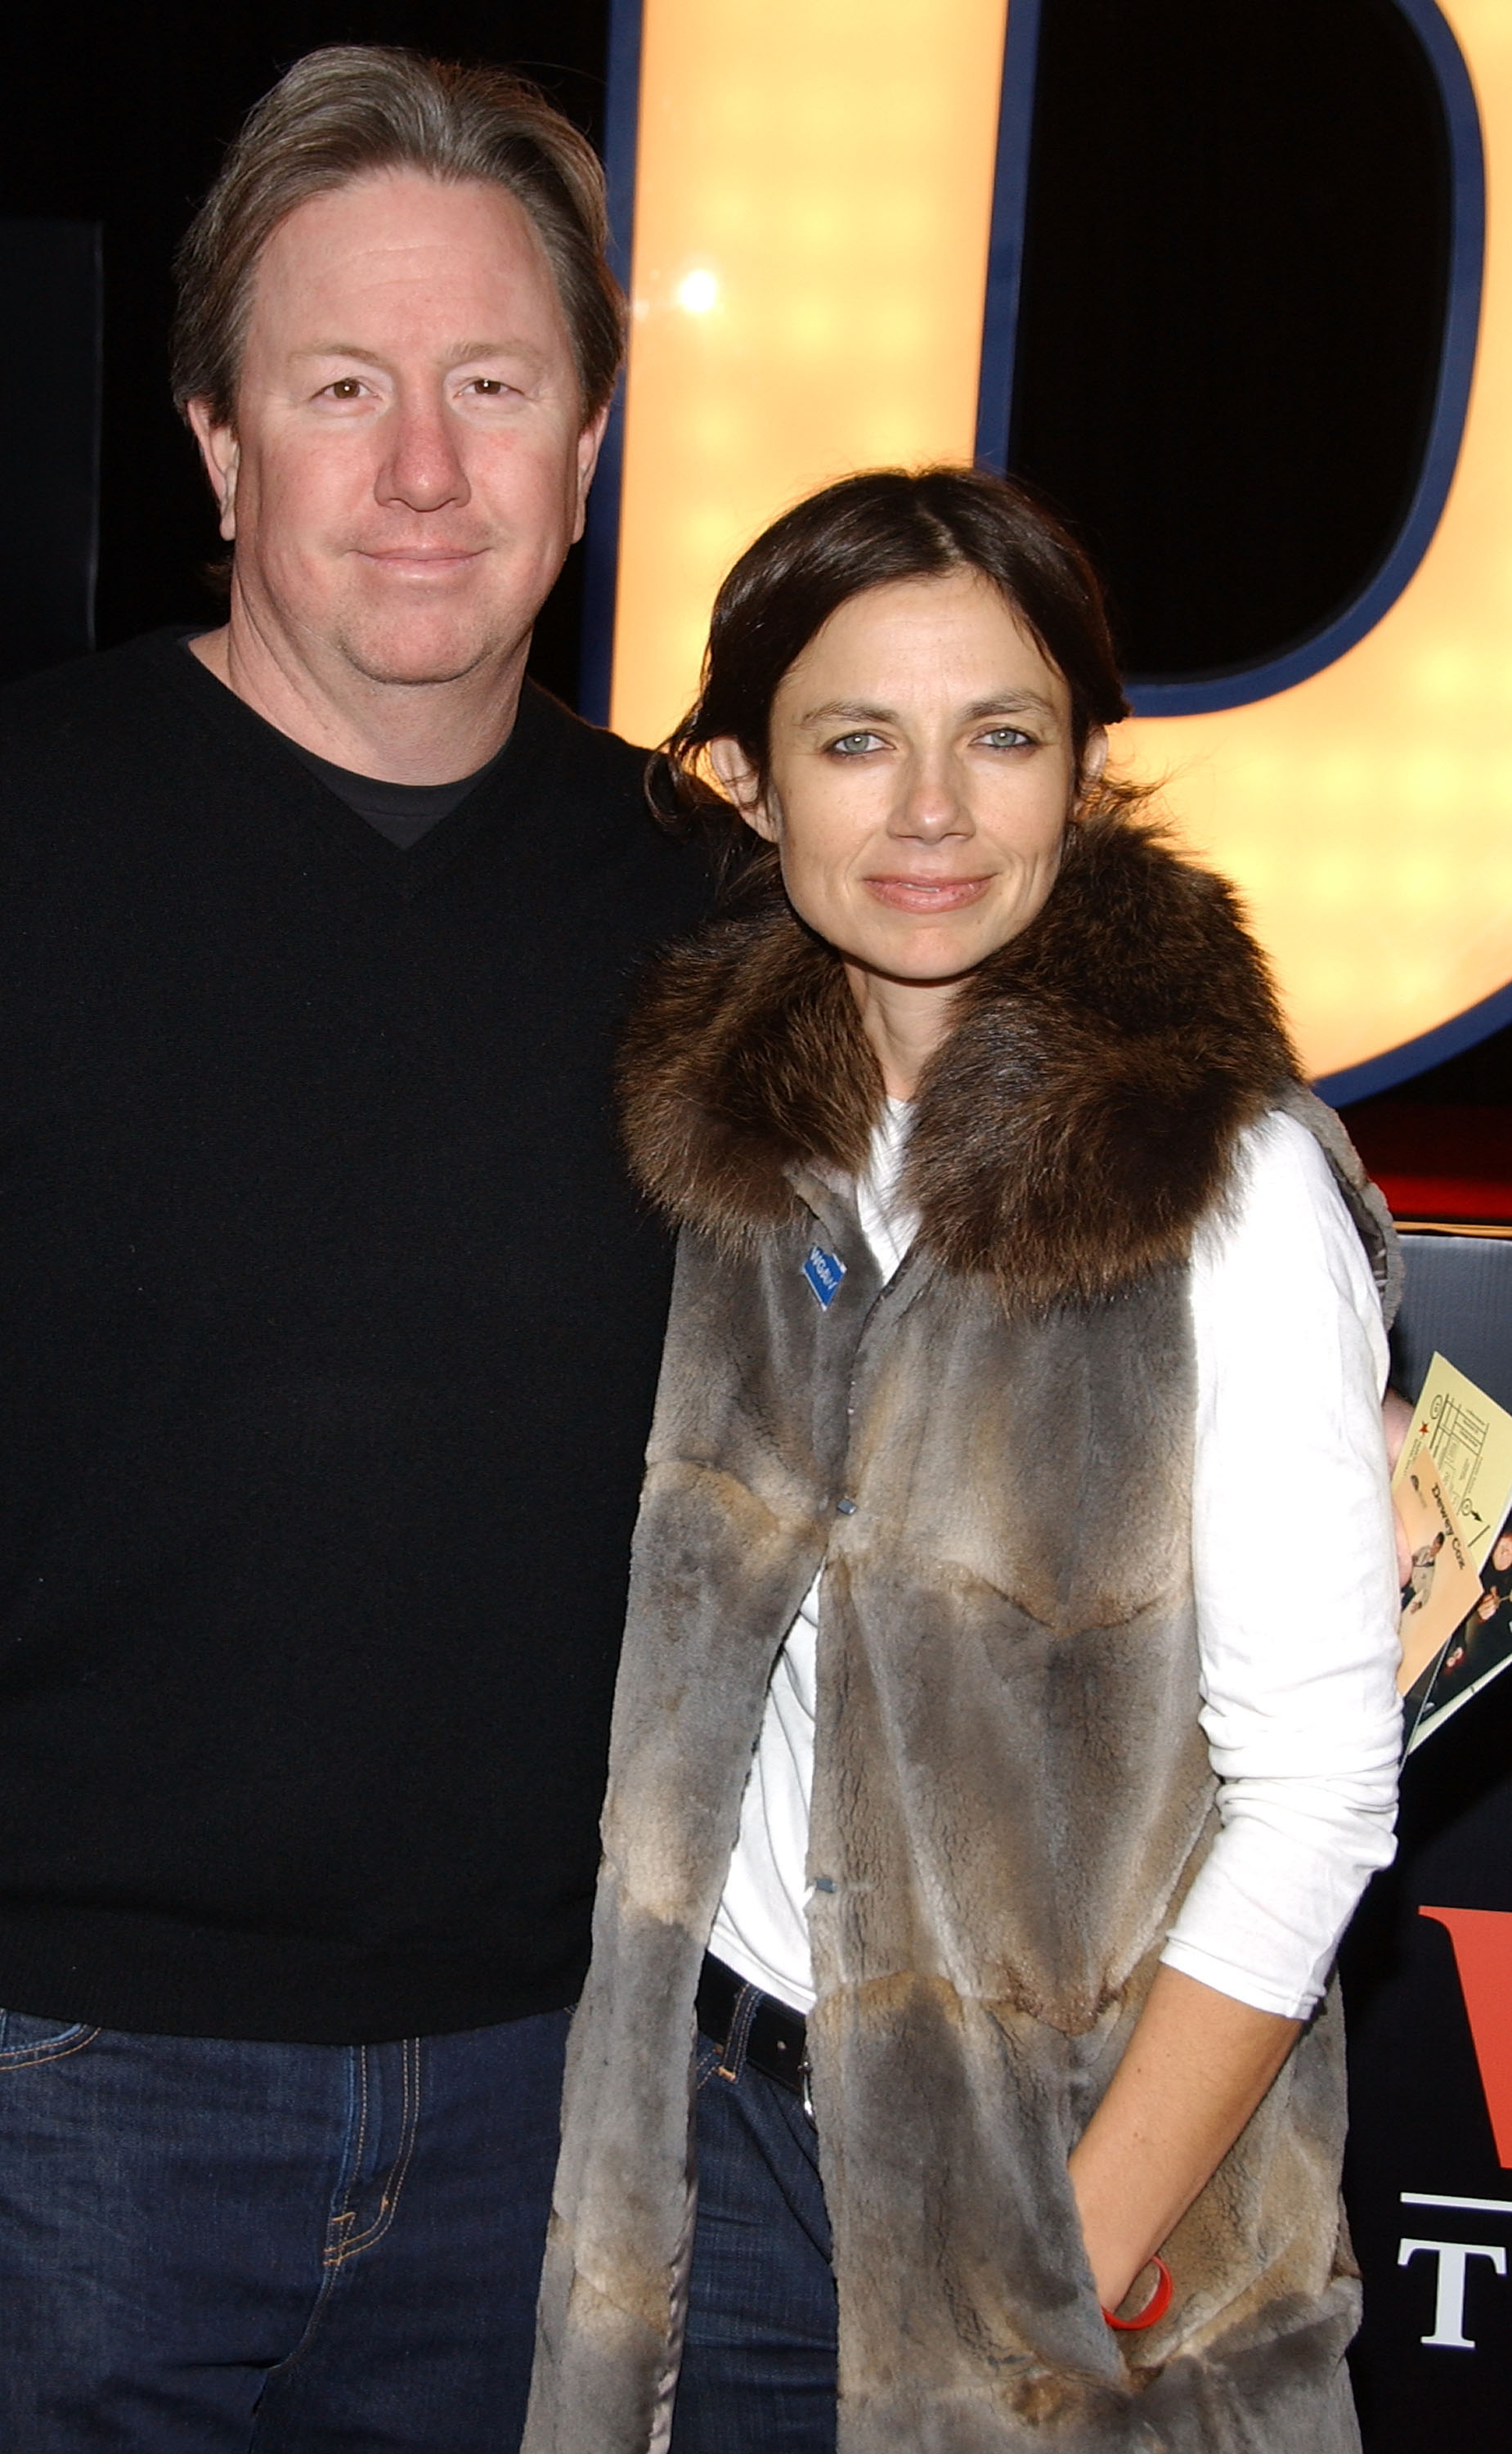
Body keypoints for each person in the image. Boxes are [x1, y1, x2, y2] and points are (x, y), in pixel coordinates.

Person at [0, 48, 706, 2453]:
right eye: (342, 389)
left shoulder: (721, 915)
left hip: (568, 2096)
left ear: (586, 445)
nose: (424, 468)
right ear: (222, 448)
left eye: (492, 386)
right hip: (44, 2090)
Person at [523, 469, 1403, 2452]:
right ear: (747, 783)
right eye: (856, 740)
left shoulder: (1224, 1185)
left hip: (1072, 2207)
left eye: (999, 736)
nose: (930, 811)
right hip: (710, 2171)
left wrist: (1045, 2274)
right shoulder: (729, 1156)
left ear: (1085, 774)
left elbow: (1321, 1794)